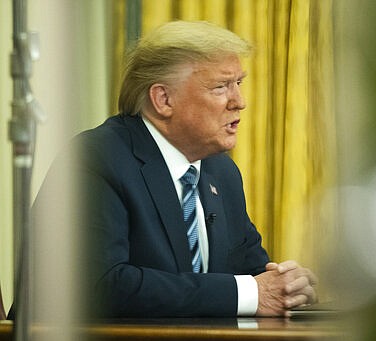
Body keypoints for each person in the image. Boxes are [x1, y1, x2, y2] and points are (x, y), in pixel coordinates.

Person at [32, 20, 317, 318]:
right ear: (163, 99)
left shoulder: (222, 172)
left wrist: (288, 287)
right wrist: (249, 293)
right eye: (221, 87)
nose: (240, 102)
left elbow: (252, 275)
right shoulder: (95, 158)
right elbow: (100, 286)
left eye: (239, 83)